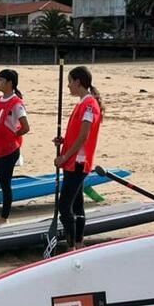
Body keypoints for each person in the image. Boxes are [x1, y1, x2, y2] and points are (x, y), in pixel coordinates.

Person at [52, 66, 103, 250]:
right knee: (77, 204)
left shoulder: (89, 105)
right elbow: (77, 135)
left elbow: (84, 136)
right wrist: (63, 141)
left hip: (78, 162)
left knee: (64, 208)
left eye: (70, 81)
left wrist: (64, 156)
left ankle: (72, 245)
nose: (68, 86)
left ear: (78, 82)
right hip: (74, 162)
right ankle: (79, 242)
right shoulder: (82, 103)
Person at [0, 69, 30, 224]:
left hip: (10, 150)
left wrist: (12, 136)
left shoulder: (16, 103)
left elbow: (25, 127)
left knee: (4, 182)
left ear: (10, 83)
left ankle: (4, 217)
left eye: (1, 80)